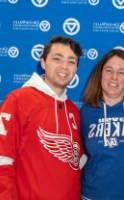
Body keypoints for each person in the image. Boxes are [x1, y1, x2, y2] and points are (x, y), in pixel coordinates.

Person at [0, 36, 84, 200]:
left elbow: (77, 162)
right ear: (43, 63)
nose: (64, 67)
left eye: (71, 61)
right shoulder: (18, 100)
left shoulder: (73, 110)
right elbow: (3, 159)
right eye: (57, 59)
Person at [80, 49, 124, 200]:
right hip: (93, 195)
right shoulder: (85, 113)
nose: (114, 77)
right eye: (109, 70)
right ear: (100, 74)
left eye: (121, 72)